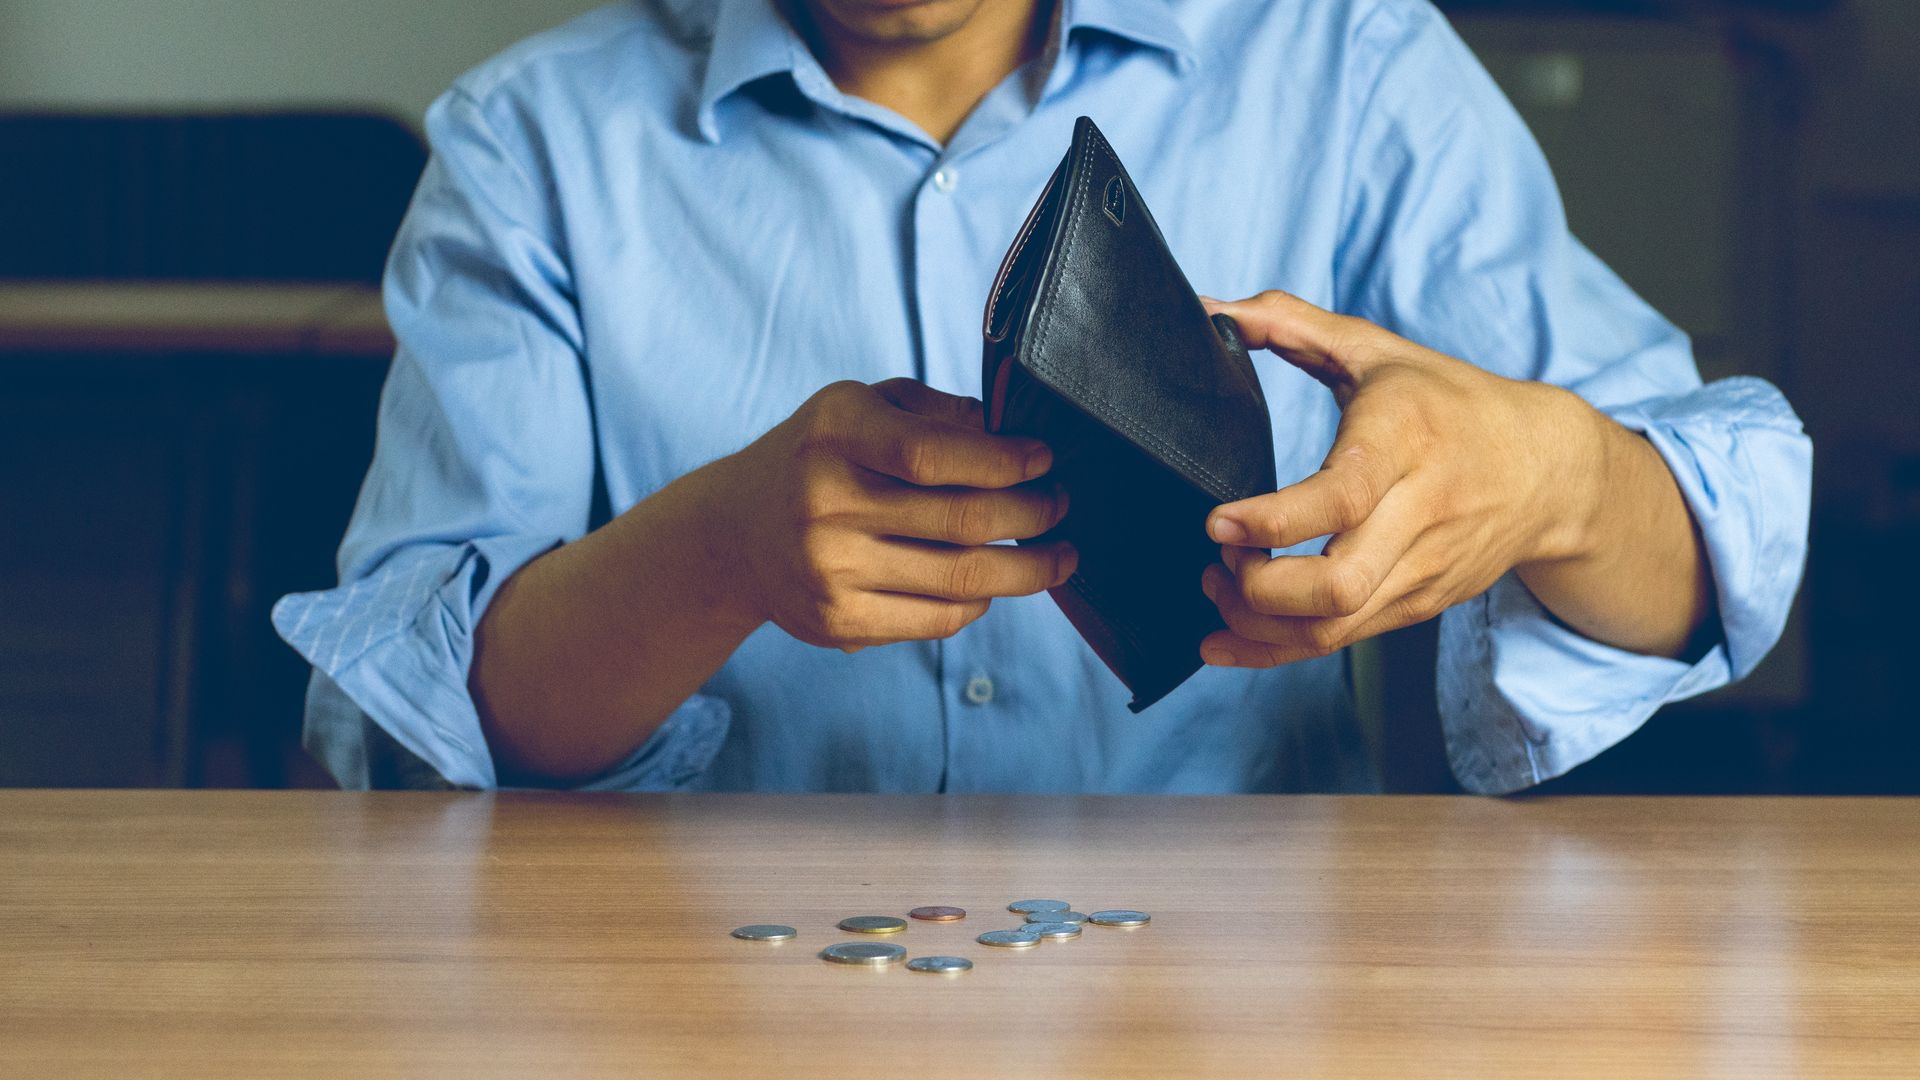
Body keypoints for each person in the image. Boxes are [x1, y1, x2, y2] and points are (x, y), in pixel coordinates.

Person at [275, 0, 1811, 794]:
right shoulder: (529, 144)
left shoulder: (1345, 62)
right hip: (685, 1004)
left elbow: (1715, 561)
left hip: (1240, 1012)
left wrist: (1554, 480)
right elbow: (417, 734)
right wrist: (711, 554)